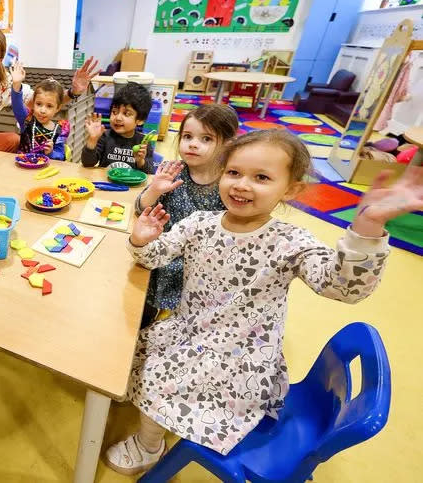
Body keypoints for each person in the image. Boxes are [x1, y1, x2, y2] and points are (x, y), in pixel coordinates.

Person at [104, 129, 423, 475]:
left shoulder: (291, 241)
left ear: (290, 189)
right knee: (131, 348)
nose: (242, 185)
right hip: (189, 329)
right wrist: (140, 239)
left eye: (261, 177)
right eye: (234, 172)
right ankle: (166, 413)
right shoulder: (200, 223)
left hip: (239, 355)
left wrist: (367, 227)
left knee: (156, 378)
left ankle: (149, 446)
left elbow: (344, 287)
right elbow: (153, 256)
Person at [134, 104, 239, 326]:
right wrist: (154, 190)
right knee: (140, 313)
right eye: (187, 136)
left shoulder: (229, 184)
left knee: (188, 323)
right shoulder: (172, 171)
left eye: (206, 139)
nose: (193, 144)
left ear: (228, 145)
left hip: (203, 271)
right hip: (160, 259)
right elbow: (139, 208)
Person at [81, 82, 155, 173]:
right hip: (105, 183)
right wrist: (92, 140)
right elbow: (88, 164)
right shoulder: (105, 136)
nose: (118, 118)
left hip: (131, 186)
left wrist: (140, 161)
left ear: (140, 120)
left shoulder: (143, 142)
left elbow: (150, 173)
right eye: (114, 112)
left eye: (126, 114)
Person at [11, 61, 69, 160]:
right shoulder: (27, 120)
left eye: (49, 106)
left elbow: (61, 155)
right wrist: (16, 84)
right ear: (33, 103)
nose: (42, 110)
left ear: (58, 108)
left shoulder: (59, 130)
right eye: (39, 104)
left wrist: (51, 153)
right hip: (23, 169)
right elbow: (17, 106)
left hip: (44, 172)